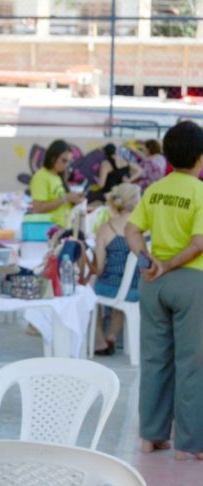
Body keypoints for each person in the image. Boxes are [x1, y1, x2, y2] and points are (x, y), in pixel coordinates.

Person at [125, 121, 203, 460]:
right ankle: (192, 444)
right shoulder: (200, 193)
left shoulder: (155, 190)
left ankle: (150, 437)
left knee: (155, 359)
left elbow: (131, 230)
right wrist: (169, 265)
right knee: (193, 363)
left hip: (153, 284)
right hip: (192, 282)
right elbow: (199, 243)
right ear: (200, 157)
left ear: (168, 156)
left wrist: (149, 261)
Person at [92, 183, 141, 355]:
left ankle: (98, 340)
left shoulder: (107, 228)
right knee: (124, 286)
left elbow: (98, 268)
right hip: (139, 287)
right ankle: (111, 335)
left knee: (88, 289)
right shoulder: (144, 227)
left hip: (111, 287)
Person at [29, 139, 84, 228]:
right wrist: (66, 198)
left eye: (69, 161)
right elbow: (38, 208)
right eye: (64, 160)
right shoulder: (41, 177)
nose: (67, 165)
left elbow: (62, 203)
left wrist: (75, 199)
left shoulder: (59, 176)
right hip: (50, 230)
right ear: (53, 158)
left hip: (64, 228)